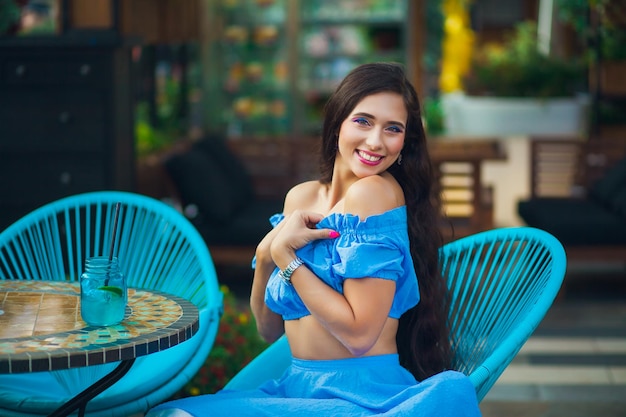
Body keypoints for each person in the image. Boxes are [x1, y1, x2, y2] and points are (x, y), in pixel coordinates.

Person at [147, 62, 481, 416]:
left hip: (360, 395)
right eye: (363, 121)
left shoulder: (375, 194)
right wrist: (265, 256)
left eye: (393, 129)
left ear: (404, 142)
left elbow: (359, 335)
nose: (375, 141)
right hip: (296, 389)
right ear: (337, 121)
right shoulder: (301, 198)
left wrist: (288, 260)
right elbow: (269, 329)